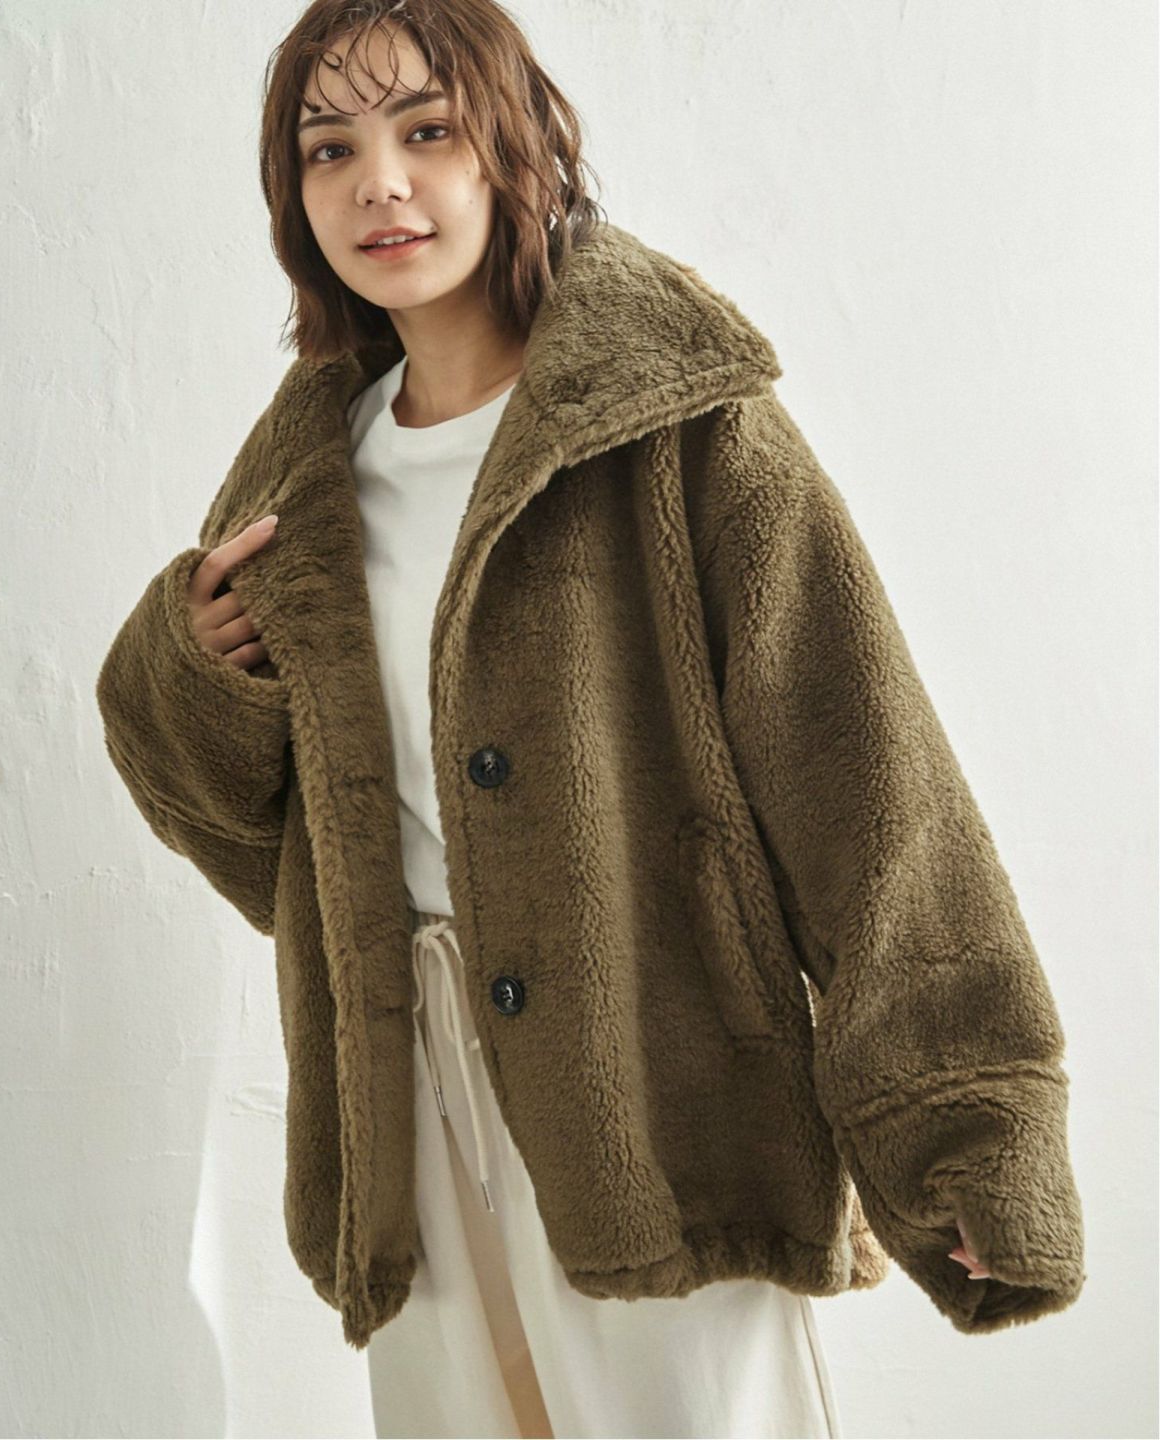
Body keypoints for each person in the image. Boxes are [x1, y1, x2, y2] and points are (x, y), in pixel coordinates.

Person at [95, 1, 1085, 1436]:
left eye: (428, 130)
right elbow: (272, 849)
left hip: (659, 1084)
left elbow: (870, 785)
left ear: (511, 146)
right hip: (407, 1101)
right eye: (330, 149)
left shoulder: (675, 422)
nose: (380, 183)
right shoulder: (304, 474)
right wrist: (188, 669)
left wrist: (967, 1132)